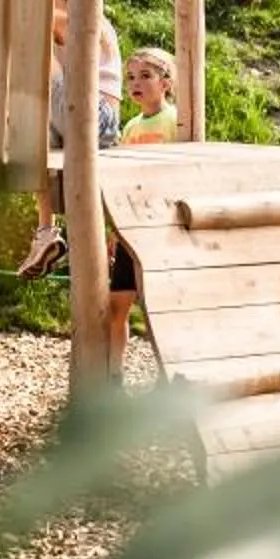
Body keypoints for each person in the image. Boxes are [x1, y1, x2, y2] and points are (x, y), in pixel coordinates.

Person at [18, 0, 123, 277]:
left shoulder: (82, 20)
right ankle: (45, 232)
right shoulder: (70, 16)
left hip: (96, 115)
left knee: (36, 65)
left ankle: (55, 233)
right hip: (77, 116)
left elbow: (37, 19)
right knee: (35, 143)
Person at [107, 47, 180, 372]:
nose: (136, 83)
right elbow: (121, 180)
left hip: (158, 225)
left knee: (158, 310)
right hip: (129, 225)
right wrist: (113, 230)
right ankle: (114, 375)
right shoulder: (131, 127)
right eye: (131, 78)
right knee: (116, 304)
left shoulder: (175, 120)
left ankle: (167, 375)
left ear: (166, 83)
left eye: (145, 76)